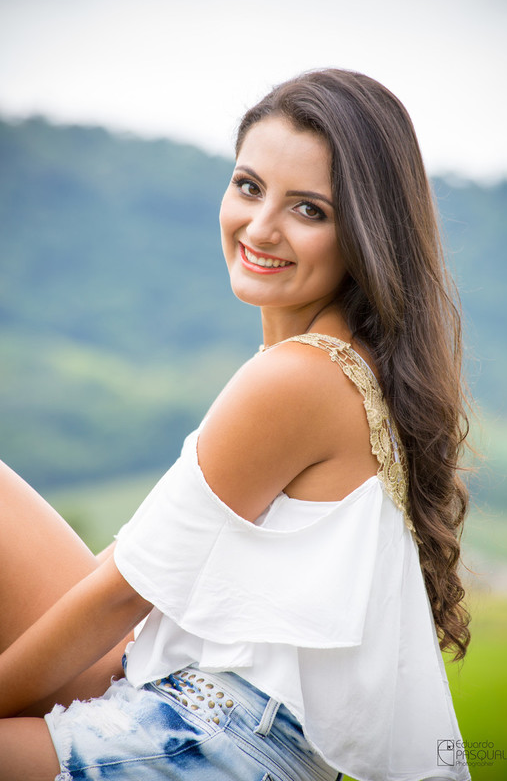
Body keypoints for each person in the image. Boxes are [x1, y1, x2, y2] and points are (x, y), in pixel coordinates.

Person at [0, 69, 472, 781]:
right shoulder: (337, 363)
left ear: (366, 233)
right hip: (198, 698)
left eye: (308, 210)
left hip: (216, 742)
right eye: (249, 186)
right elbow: (135, 563)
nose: (259, 227)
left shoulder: (299, 376)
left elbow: (124, 593)